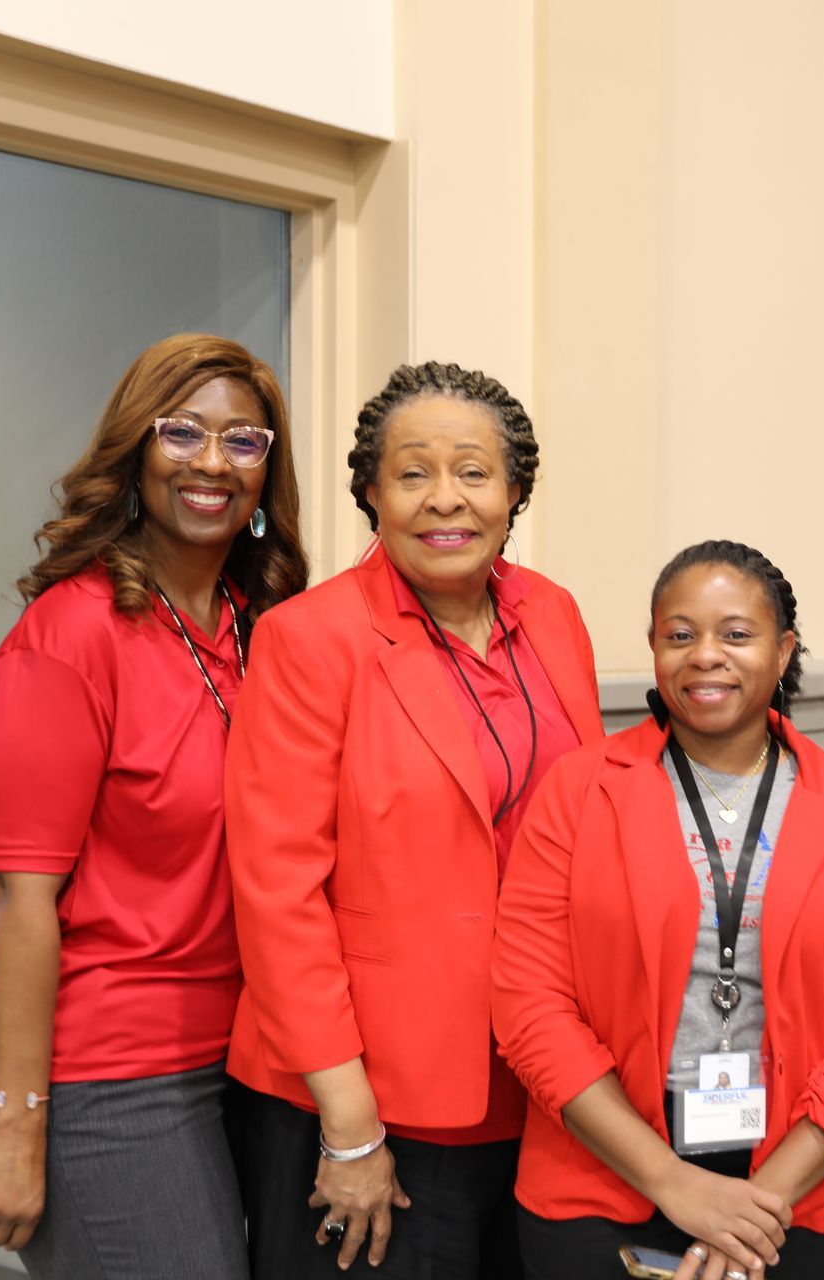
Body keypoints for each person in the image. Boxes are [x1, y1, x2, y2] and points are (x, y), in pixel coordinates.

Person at [224, 362, 604, 1277]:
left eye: (475, 472)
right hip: (363, 1094)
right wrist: (349, 1125)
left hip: (540, 1083)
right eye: (413, 473)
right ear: (371, 492)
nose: (447, 500)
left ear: (515, 493)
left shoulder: (552, 615)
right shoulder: (310, 639)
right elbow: (278, 894)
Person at [0, 333, 308, 1278]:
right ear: (134, 451)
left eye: (244, 441)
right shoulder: (69, 637)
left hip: (231, 1050)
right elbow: (18, 901)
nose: (212, 464)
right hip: (92, 1066)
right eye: (182, 432)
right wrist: (17, 1128)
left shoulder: (256, 624)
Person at [495, 541, 824, 1280]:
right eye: (679, 635)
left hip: (794, 1192)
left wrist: (760, 1202)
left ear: (785, 648)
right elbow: (529, 1005)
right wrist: (674, 1184)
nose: (705, 656)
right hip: (603, 1180)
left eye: (736, 634)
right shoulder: (578, 792)